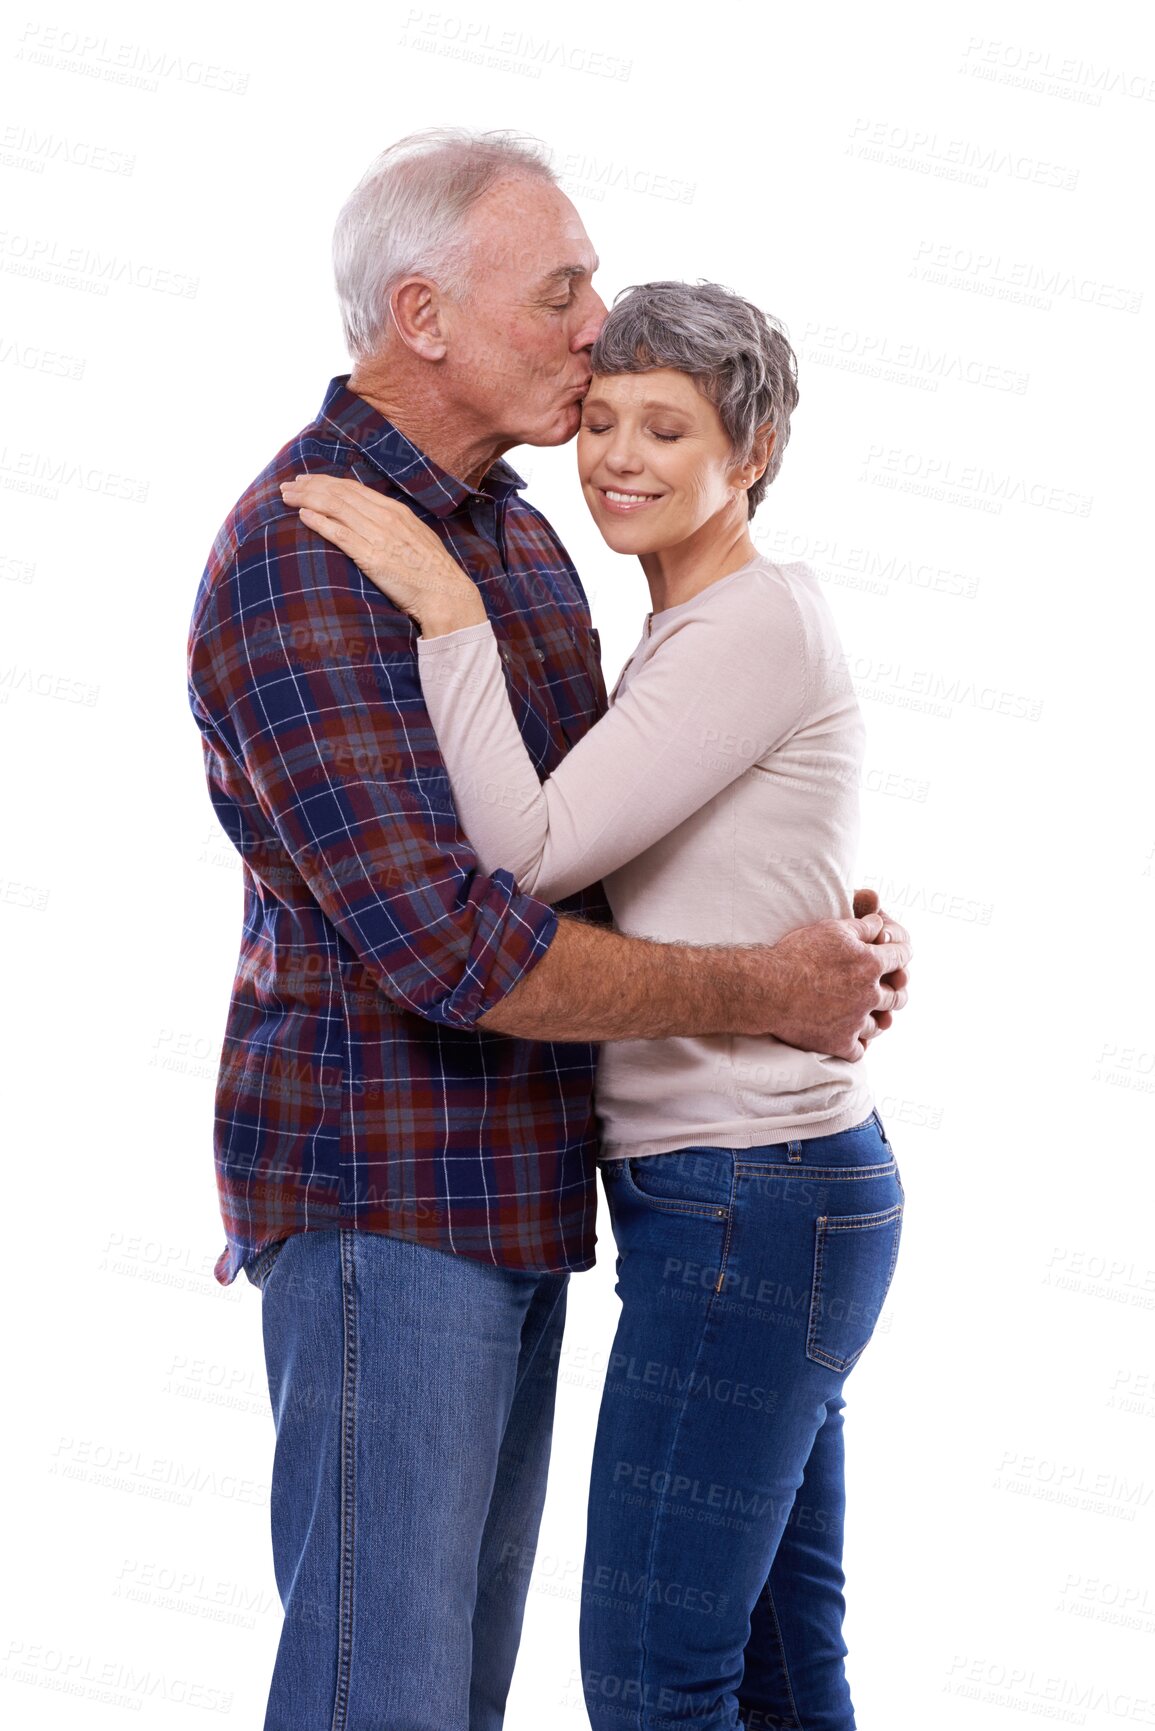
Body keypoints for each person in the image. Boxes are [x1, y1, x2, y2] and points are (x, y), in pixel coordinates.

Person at [188, 129, 910, 1731]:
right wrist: (774, 978)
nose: (597, 328)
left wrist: (818, 915)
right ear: (425, 315)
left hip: (538, 1185)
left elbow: (596, 846)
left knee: (483, 1690)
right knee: (395, 1690)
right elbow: (460, 941)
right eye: (564, 293)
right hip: (389, 1193)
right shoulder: (310, 564)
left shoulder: (512, 540)